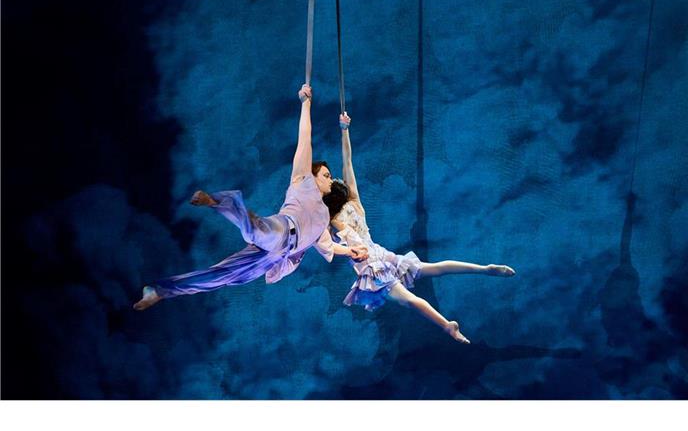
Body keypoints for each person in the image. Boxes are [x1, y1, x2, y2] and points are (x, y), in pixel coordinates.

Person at [133, 85, 368, 311]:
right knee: (257, 229)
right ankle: (219, 202)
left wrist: (352, 251)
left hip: (276, 256)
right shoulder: (302, 179)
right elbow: (304, 138)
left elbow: (329, 246)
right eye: (326, 175)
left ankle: (160, 291)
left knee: (223, 276)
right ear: (314, 175)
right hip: (283, 229)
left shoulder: (323, 218)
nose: (330, 179)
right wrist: (306, 104)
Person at [323, 112, 516, 344]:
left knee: (410, 300)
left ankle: (448, 326)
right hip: (381, 255)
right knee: (433, 269)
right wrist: (344, 130)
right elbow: (348, 162)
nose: (333, 179)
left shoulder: (331, 218)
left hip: (373, 267)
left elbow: (343, 170)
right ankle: (484, 269)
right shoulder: (355, 203)